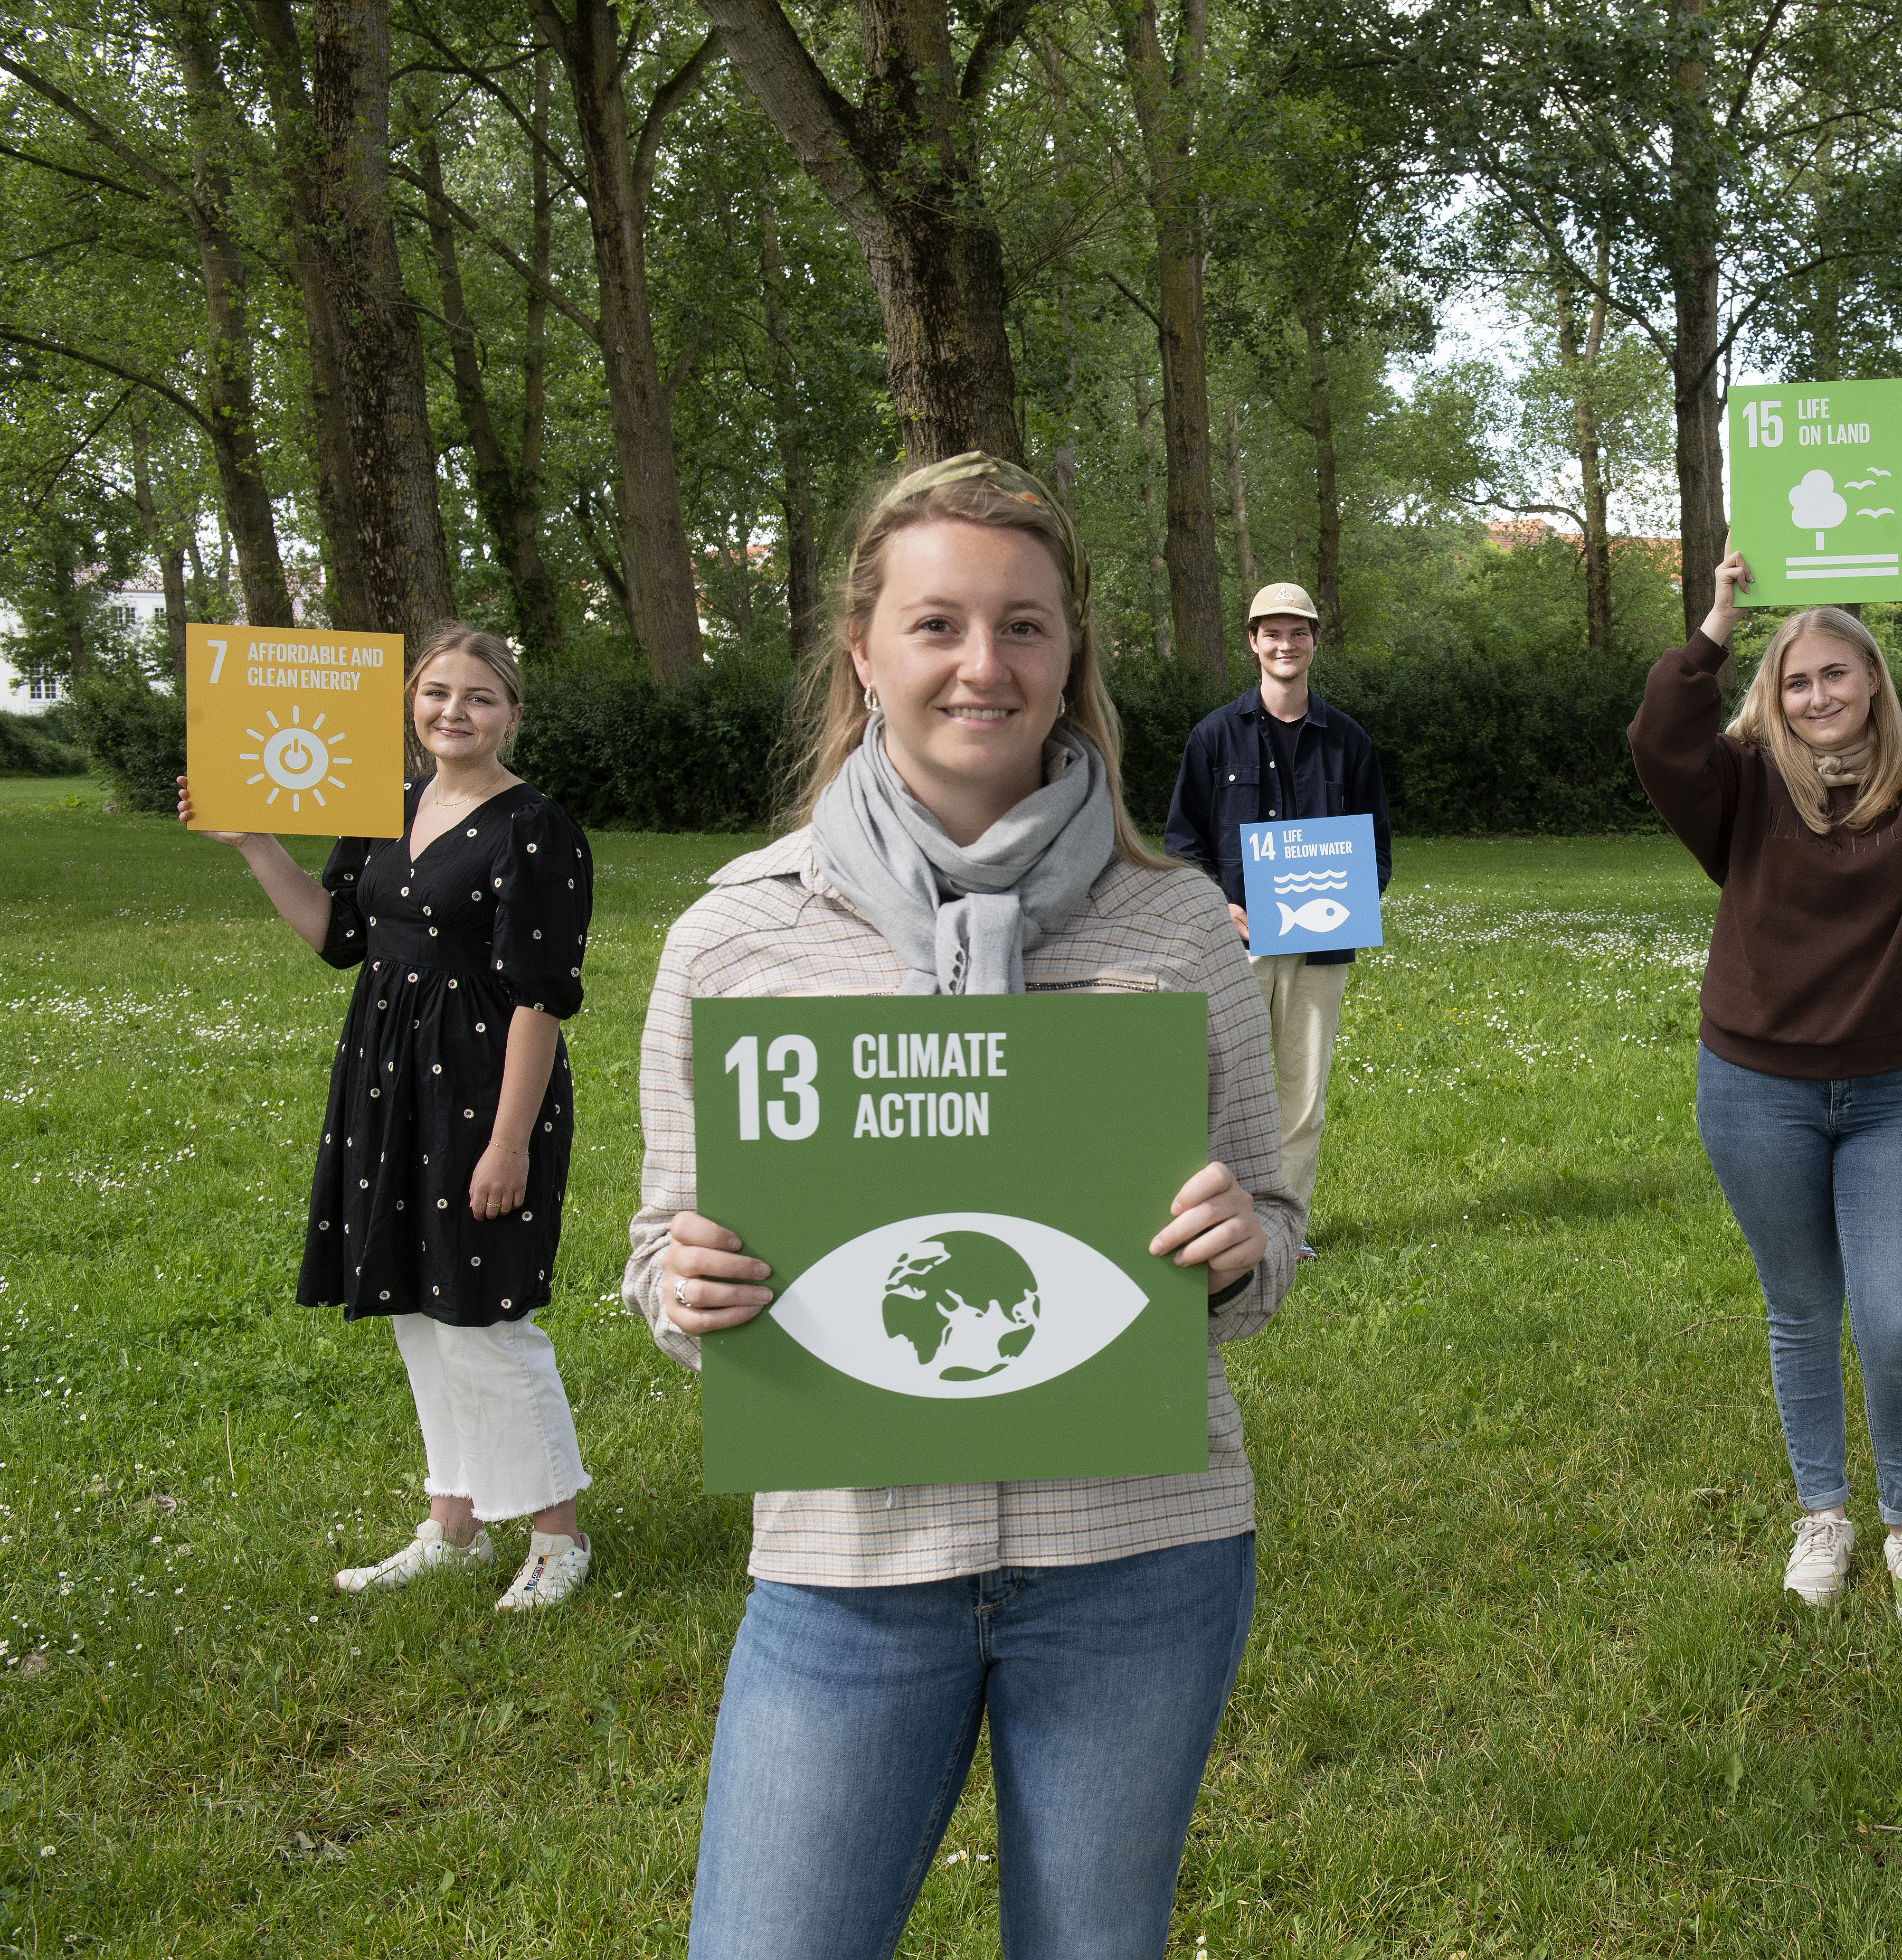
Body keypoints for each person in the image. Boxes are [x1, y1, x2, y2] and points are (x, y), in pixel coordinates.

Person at [628, 454, 1301, 1960]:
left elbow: (1270, 1213)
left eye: (1025, 627)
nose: (982, 665)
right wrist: (684, 1292)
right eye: (938, 625)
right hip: (849, 1562)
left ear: (1071, 661)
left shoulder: (1178, 924)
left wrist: (1241, 1251)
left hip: (1141, 1558)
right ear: (864, 651)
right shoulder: (743, 934)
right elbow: (655, 1250)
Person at [1630, 490, 1902, 1622]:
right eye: (1796, 679)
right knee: (1800, 1308)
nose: (1818, 694)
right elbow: (1660, 737)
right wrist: (1721, 625)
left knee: (1894, 1320)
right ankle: (1822, 1511)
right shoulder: (1737, 792)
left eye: (1837, 672)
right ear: (1773, 698)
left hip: (1900, 1094)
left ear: (1874, 679)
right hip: (1755, 1088)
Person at [176, 625, 596, 1610]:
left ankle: (556, 1536)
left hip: (484, 1085)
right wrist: (254, 843)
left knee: (486, 1314)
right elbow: (338, 935)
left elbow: (541, 996)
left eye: (479, 696)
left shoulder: (536, 826)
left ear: (513, 714)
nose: (454, 711)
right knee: (417, 1305)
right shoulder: (385, 803)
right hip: (387, 1077)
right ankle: (452, 1525)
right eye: (437, 692)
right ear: (411, 704)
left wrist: (505, 1142)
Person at [1161, 582, 1390, 1239]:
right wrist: (1224, 911)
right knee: (1220, 1090)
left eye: (1298, 633)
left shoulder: (1349, 741)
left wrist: (1347, 906)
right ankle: (1211, 1225)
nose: (1285, 645)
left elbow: (1375, 850)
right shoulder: (1213, 737)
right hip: (1236, 947)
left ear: (1315, 642)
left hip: (1320, 950)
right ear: (1253, 642)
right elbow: (1183, 845)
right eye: (1272, 633)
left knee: (1302, 1096)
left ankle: (1286, 1231)